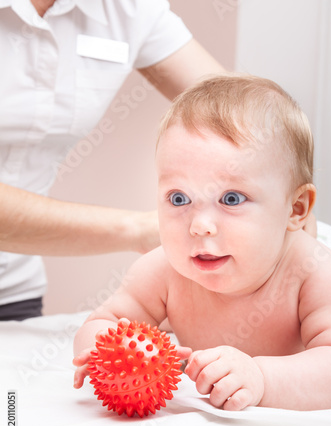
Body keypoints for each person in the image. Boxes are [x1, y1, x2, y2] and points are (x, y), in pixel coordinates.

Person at [73, 75, 331, 411]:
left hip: (321, 260)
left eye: (231, 198)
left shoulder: (317, 272)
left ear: (296, 209)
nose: (200, 226)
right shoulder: (164, 269)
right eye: (179, 198)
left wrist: (261, 376)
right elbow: (103, 322)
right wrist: (104, 349)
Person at [0, 0, 225, 320]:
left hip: (15, 292)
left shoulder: (125, 8)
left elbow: (243, 114)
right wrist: (145, 228)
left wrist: (284, 214)